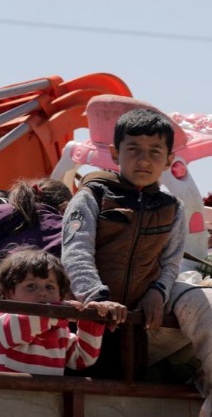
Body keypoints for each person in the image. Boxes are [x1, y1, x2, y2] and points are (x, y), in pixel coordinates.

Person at [61, 108, 186, 377]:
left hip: (133, 326)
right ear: (115, 153)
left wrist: (158, 292)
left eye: (155, 151)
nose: (144, 159)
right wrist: (96, 299)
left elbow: (171, 261)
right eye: (134, 149)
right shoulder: (91, 194)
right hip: (84, 322)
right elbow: (76, 251)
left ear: (169, 160)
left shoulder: (173, 208)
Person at [0, 178, 73, 370]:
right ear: (65, 207)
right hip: (44, 335)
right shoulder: (66, 228)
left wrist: (14, 209)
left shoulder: (4, 223)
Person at [0, 247, 117, 375]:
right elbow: (25, 324)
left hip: (46, 396)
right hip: (6, 395)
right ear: (10, 293)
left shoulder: (58, 329)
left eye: (50, 287)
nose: (42, 293)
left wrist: (91, 319)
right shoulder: (4, 319)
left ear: (61, 294)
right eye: (31, 286)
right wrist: (58, 312)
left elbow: (82, 359)